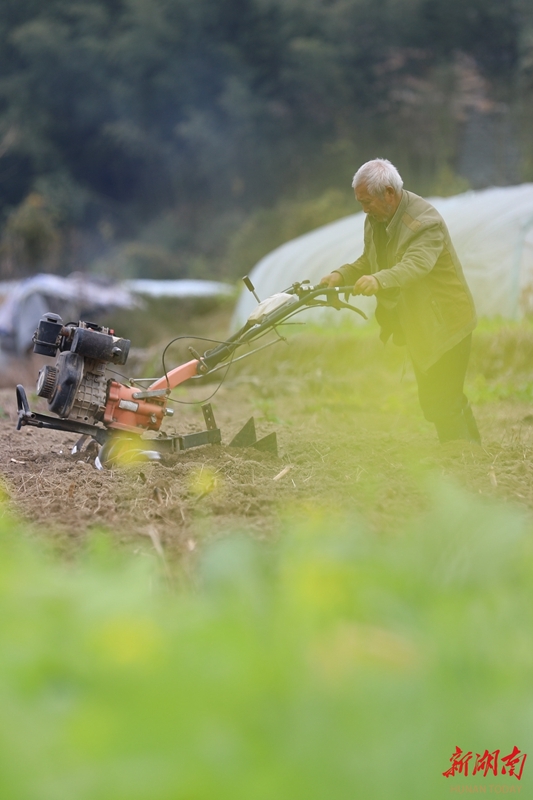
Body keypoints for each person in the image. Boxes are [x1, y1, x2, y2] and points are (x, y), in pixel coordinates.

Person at [320, 158, 481, 445]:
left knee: (441, 402)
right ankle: (471, 454)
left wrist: (379, 280)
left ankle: (461, 459)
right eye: (360, 202)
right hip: (420, 323)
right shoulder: (376, 219)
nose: (364, 209)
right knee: (440, 400)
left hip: (446, 322)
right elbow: (369, 259)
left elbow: (416, 264)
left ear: (389, 194)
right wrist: (341, 274)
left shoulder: (424, 222)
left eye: (367, 202)